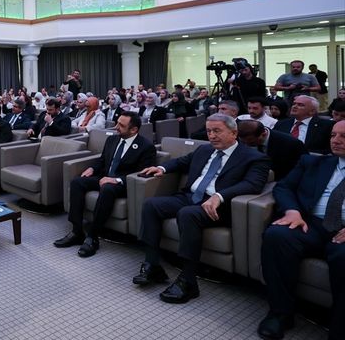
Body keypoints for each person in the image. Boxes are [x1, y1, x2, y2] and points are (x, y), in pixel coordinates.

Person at [135, 114, 270, 304]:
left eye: (217, 131)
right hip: (191, 197)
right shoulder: (204, 149)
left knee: (187, 214)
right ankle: (152, 264)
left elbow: (253, 184)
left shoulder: (255, 158)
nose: (212, 136)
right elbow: (181, 162)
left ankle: (188, 281)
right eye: (208, 131)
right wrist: (162, 168)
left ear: (234, 133)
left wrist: (219, 196)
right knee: (151, 205)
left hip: (220, 206)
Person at [257, 120, 345, 340]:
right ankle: (280, 313)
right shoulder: (313, 162)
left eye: (343, 136)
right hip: (310, 223)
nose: (335, 140)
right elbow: (284, 187)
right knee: (277, 235)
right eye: (333, 135)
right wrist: (292, 211)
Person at [55, 112, 157, 257]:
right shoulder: (112, 139)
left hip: (124, 183)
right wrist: (93, 168)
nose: (116, 127)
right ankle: (77, 231)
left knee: (107, 189)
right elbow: (103, 160)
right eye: (117, 123)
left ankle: (92, 236)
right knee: (77, 182)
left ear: (134, 130)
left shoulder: (146, 147)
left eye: (121, 125)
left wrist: (116, 180)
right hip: (104, 177)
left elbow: (142, 173)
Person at [236, 120, 307, 181]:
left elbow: (300, 169)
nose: (246, 145)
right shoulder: (242, 138)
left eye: (251, 142)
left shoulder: (290, 144)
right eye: (243, 142)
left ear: (263, 134)